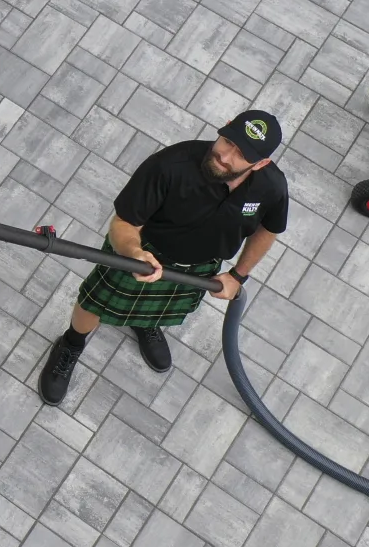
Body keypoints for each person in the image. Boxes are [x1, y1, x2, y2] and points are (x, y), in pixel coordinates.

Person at [37, 110, 289, 405]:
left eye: (241, 154)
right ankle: (71, 344)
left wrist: (237, 276)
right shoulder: (170, 165)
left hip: (199, 267)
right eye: (227, 142)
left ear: (261, 163)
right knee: (95, 301)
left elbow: (269, 229)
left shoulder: (272, 187)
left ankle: (145, 322)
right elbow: (123, 224)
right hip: (142, 254)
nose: (224, 155)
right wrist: (135, 253)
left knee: (150, 307)